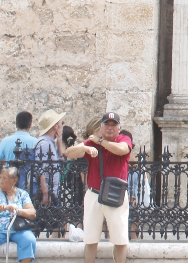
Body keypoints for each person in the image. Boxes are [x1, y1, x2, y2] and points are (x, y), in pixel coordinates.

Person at [64, 111, 133, 263]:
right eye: (106, 125)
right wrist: (86, 148)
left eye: (113, 125)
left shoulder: (123, 139)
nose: (110, 128)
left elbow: (122, 149)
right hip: (94, 194)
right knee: (90, 238)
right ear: (101, 127)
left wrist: (100, 142)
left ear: (118, 128)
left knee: (120, 239)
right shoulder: (92, 143)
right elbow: (68, 153)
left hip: (115, 193)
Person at [0, 166, 38, 263]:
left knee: (29, 240)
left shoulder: (22, 194)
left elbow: (32, 213)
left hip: (18, 229)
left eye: (4, 178)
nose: (1, 181)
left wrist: (18, 211)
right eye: (0, 177)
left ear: (14, 181)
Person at [32, 109, 66, 236]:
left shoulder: (51, 143)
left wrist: (59, 141)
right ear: (55, 126)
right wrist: (45, 191)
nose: (62, 126)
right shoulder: (44, 143)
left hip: (51, 190)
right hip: (47, 192)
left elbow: (61, 161)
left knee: (50, 224)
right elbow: (40, 167)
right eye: (61, 123)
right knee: (56, 223)